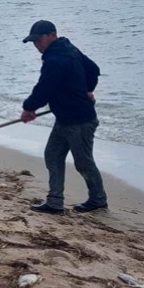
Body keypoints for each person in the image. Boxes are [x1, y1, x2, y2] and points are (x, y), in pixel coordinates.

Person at [20, 20, 108, 215]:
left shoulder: (56, 59)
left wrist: (29, 108)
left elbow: (44, 88)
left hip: (80, 121)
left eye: (39, 41)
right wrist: (87, 90)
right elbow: (92, 70)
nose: (37, 46)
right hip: (65, 118)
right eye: (34, 42)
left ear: (52, 35)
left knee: (83, 162)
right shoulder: (68, 49)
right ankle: (55, 202)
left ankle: (98, 199)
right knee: (52, 154)